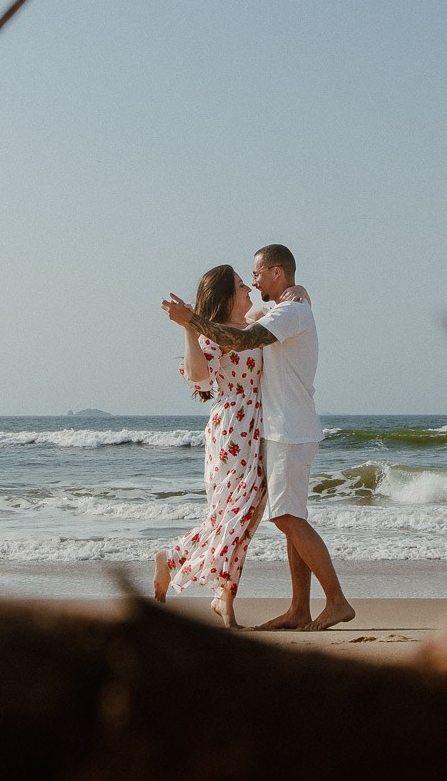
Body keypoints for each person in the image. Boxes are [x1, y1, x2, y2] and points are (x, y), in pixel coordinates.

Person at [162, 244, 355, 631]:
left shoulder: (290, 311)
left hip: (287, 428)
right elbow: (233, 334)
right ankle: (300, 608)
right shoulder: (288, 308)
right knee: (290, 517)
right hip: (273, 428)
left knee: (285, 516)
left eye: (256, 274)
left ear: (277, 273)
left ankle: (336, 601)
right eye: (245, 279)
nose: (252, 282)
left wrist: (190, 319)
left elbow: (241, 340)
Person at [152, 264, 305, 629]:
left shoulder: (249, 325)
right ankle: (214, 592)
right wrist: (189, 327)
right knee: (232, 518)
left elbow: (277, 308)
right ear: (226, 295)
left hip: (260, 425)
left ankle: (187, 569)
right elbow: (201, 378)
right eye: (240, 286)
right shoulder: (212, 336)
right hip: (233, 431)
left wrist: (298, 292)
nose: (248, 290)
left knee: (244, 519)